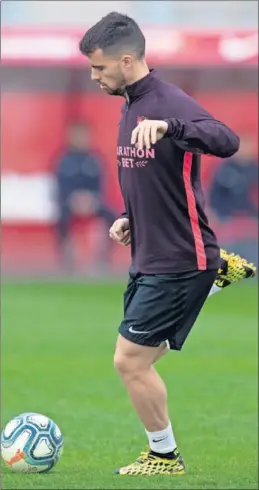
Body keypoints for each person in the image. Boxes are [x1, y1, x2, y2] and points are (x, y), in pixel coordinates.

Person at [79, 13, 256, 476]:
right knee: (146, 354)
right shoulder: (131, 104)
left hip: (178, 257)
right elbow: (150, 180)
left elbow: (227, 140)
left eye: (99, 68)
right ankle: (218, 275)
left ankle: (163, 456)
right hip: (150, 255)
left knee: (130, 361)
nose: (94, 77)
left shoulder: (167, 102)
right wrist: (126, 218)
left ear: (126, 59)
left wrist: (172, 127)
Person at [54, 121, 116, 271]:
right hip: (71, 202)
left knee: (113, 217)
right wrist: (74, 200)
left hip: (92, 201)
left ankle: (103, 257)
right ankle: (67, 257)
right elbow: (61, 186)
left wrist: (92, 200)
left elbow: (101, 185)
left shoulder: (95, 160)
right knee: (61, 217)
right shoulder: (63, 160)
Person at [209, 132, 258, 221]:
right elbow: (215, 193)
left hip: (251, 216)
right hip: (226, 216)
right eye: (242, 146)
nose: (244, 149)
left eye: (247, 145)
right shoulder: (224, 168)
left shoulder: (255, 169)